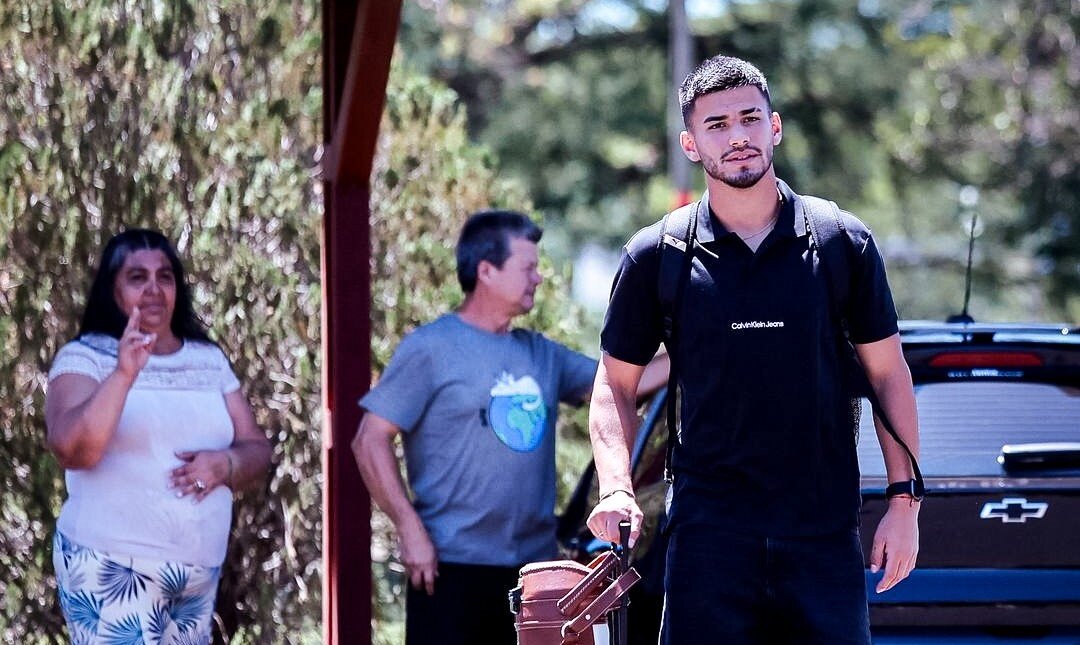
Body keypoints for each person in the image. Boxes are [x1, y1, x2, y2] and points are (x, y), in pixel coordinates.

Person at [586, 55, 921, 644]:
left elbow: (888, 375)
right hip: (707, 541)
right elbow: (614, 383)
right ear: (691, 144)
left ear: (775, 126)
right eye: (717, 125)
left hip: (822, 538)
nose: (737, 137)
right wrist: (616, 486)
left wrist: (904, 503)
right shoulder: (656, 256)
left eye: (749, 118)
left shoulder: (840, 241)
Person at [351, 210, 667, 645]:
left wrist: (693, 345)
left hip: (532, 577)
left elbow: (622, 384)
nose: (538, 278)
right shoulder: (431, 349)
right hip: (450, 568)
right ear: (486, 271)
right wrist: (409, 529)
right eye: (528, 267)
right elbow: (369, 440)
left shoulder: (540, 353)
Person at [45, 229, 273, 644]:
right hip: (113, 568)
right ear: (112, 289)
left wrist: (227, 464)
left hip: (196, 576)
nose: (153, 289)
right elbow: (74, 450)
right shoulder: (85, 357)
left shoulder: (208, 360)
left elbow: (257, 448)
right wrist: (124, 374)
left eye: (164, 276)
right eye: (137, 277)